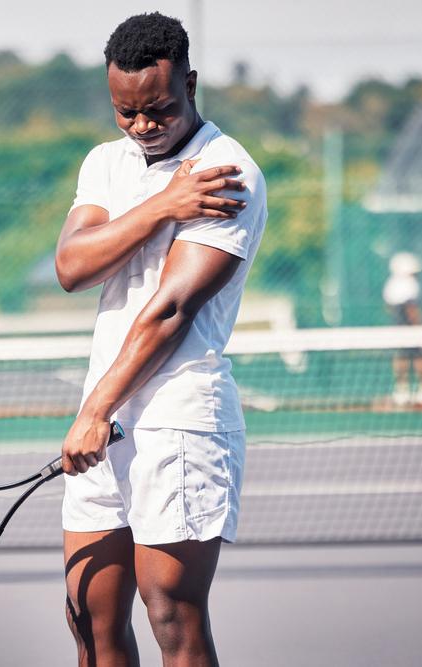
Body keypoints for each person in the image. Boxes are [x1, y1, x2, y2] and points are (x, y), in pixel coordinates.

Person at [55, 13, 266, 666]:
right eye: (127, 113)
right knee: (88, 615)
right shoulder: (106, 163)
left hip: (178, 415)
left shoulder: (226, 171)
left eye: (160, 110)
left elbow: (170, 308)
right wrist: (159, 206)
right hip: (105, 414)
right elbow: (72, 266)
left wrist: (94, 410)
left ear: (191, 83)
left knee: (170, 609)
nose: (145, 126)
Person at [382, 252, 422, 405]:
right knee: (420, 356)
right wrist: (420, 326)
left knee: (402, 356)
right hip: (410, 327)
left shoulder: (390, 283)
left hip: (398, 326)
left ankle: (402, 389)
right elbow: (411, 308)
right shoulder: (409, 283)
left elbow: (389, 308)